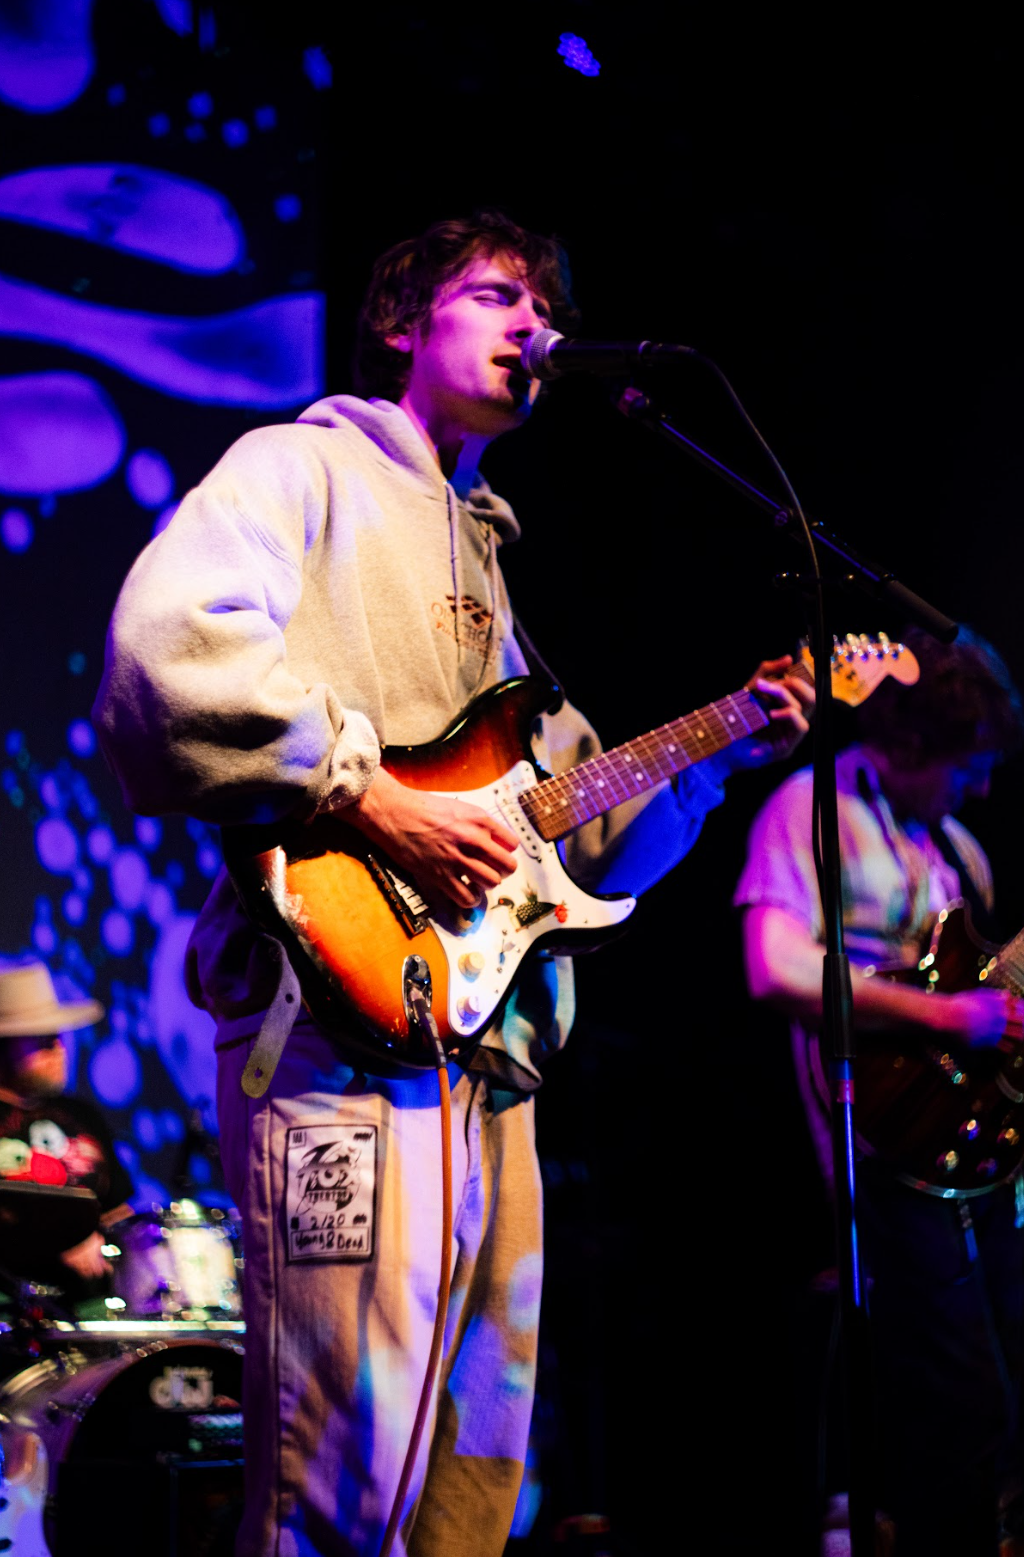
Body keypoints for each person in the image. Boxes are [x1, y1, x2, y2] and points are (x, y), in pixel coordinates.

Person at [93, 211, 812, 1557]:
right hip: (337, 1021)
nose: (535, 325)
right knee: (342, 1465)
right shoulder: (302, 468)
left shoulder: (487, 559)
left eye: (546, 306)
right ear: (400, 324)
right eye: (497, 296)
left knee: (471, 1475)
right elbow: (164, 655)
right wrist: (366, 793)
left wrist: (723, 751)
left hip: (487, 1050)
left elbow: (582, 849)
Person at [735, 624, 1024, 1556]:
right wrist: (949, 1017)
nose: (979, 789)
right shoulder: (807, 809)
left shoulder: (958, 851)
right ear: (910, 745)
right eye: (966, 766)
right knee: (955, 1391)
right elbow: (775, 967)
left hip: (968, 1154)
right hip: (869, 1147)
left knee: (994, 1385)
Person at [0, 960, 132, 1293]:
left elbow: (118, 1210)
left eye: (58, 1038)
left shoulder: (81, 1114)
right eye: (42, 1041)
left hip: (87, 1302)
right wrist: (55, 1247)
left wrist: (105, 1239)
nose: (59, 1050)